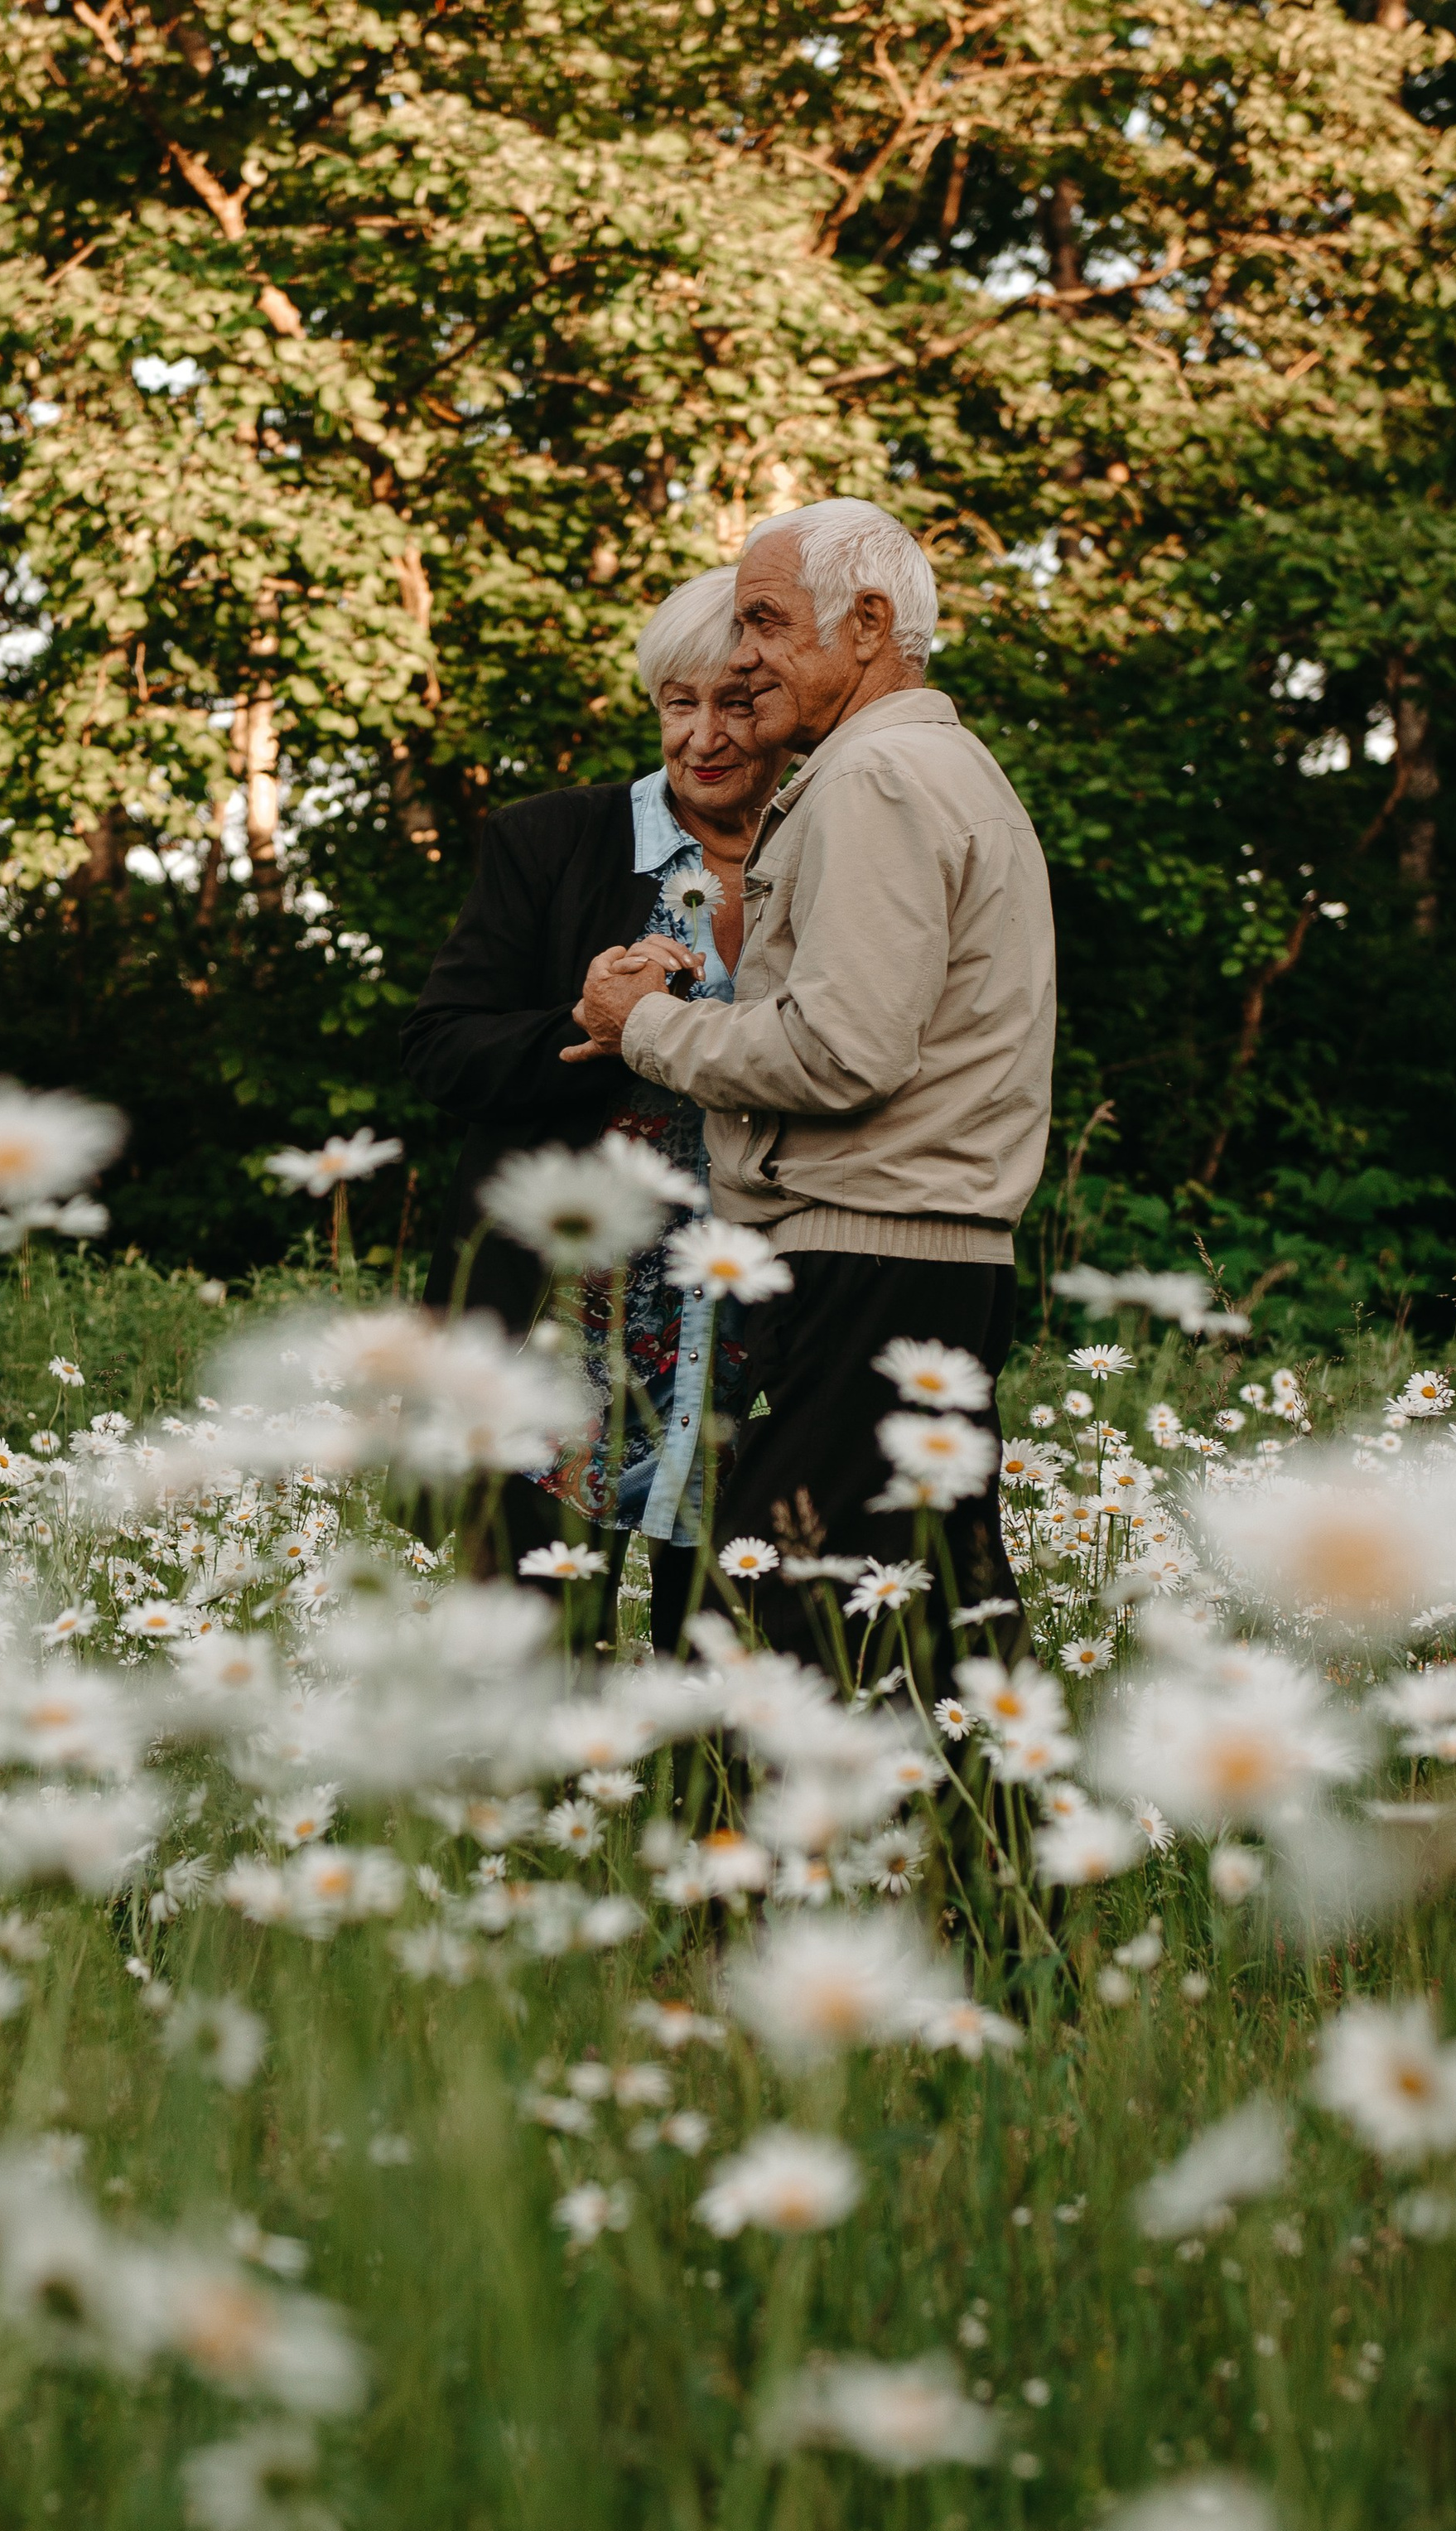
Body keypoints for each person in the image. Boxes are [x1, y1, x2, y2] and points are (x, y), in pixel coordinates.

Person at [564, 497, 1053, 1668]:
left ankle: (773, 1845)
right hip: (926, 1256)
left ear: (870, 622)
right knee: (929, 1604)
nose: (741, 657)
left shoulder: (875, 779)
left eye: (767, 622)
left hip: (877, 1259)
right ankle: (981, 1842)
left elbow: (842, 1051)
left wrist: (649, 1025)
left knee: (778, 1612)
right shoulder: (943, 767)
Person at [401, 568, 780, 1599]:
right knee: (530, 1644)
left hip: (756, 1315)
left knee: (722, 1651)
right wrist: (579, 1023)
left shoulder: (834, 852)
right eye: (678, 702)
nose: (701, 735)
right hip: (564, 1317)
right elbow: (440, 1047)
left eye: (736, 704)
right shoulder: (552, 839)